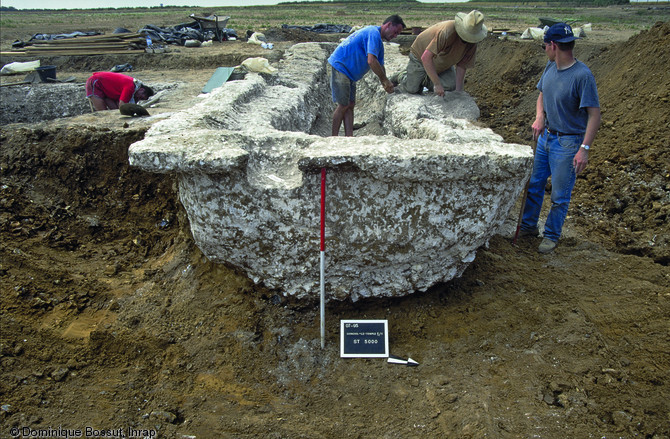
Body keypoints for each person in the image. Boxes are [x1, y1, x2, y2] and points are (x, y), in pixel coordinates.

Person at [519, 23, 601, 254]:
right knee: (535, 185)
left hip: (568, 142)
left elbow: (594, 115)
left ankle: (552, 235)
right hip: (547, 137)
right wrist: (539, 117)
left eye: (545, 45)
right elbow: (542, 94)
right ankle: (527, 227)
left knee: (559, 195)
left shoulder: (582, 76)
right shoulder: (550, 67)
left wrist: (584, 148)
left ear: (553, 45)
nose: (545, 49)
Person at [328, 15, 406, 136]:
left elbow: (380, 65)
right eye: (395, 32)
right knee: (343, 104)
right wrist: (384, 81)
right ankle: (333, 139)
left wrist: (388, 81)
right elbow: (371, 61)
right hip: (341, 66)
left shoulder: (378, 40)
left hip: (350, 72)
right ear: (389, 25)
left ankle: (349, 138)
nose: (395, 36)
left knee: (350, 104)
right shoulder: (373, 33)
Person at [394, 10, 487, 96]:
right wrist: (437, 84)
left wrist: (459, 92)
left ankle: (425, 77)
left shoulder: (472, 43)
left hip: (443, 62)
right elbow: (425, 58)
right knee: (412, 89)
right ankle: (402, 75)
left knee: (450, 87)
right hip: (420, 58)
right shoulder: (447, 31)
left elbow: (462, 65)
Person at [85, 71, 154, 112]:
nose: (138, 98)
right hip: (95, 82)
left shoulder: (135, 87)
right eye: (141, 96)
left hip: (106, 88)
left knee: (115, 110)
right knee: (103, 112)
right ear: (142, 89)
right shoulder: (130, 87)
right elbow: (122, 105)